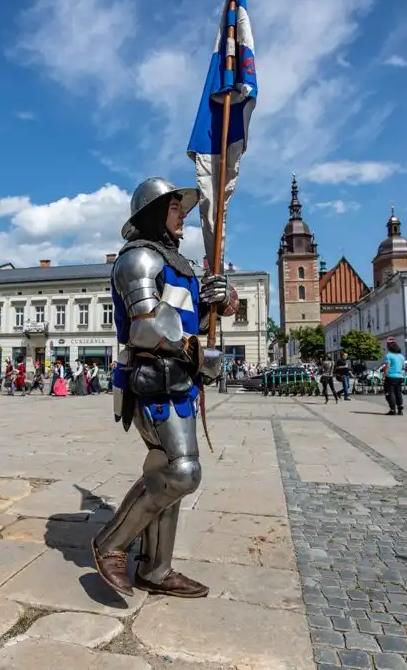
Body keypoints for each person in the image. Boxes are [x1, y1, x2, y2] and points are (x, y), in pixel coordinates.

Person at [92, 177, 236, 598]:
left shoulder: (179, 264)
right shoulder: (138, 259)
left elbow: (191, 321)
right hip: (153, 378)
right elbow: (146, 328)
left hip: (181, 380)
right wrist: (196, 351)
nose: (183, 217)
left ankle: (156, 569)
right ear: (155, 213)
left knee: (166, 472)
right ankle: (111, 543)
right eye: (175, 208)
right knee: (183, 471)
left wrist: (218, 301)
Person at [381, 340, 406, 415]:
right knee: (398, 392)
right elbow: (403, 367)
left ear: (390, 348)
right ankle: (400, 408)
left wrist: (384, 375)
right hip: (399, 376)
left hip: (391, 376)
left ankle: (392, 409)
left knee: (389, 393)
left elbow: (387, 366)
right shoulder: (401, 356)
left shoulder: (389, 355)